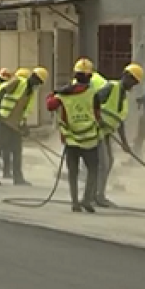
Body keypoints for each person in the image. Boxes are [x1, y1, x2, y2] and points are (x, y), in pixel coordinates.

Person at [46, 58, 103, 213]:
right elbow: (98, 115)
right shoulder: (93, 94)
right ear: (90, 77)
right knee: (93, 170)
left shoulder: (64, 94)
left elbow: (50, 106)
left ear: (75, 75)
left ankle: (75, 202)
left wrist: (54, 93)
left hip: (71, 140)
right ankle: (87, 199)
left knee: (73, 172)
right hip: (90, 140)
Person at [92, 62, 145, 207]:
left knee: (109, 161)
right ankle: (97, 196)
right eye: (133, 81)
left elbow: (120, 122)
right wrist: (98, 119)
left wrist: (125, 144)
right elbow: (94, 100)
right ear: (127, 76)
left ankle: (97, 193)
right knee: (103, 163)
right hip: (97, 131)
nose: (133, 85)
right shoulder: (111, 87)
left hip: (107, 133)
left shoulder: (123, 98)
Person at [0, 66, 48, 186]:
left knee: (17, 151)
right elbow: (1, 91)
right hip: (2, 120)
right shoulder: (19, 81)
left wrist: (23, 126)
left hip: (14, 125)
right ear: (33, 76)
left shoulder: (31, 92)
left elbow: (24, 110)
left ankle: (18, 178)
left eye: (39, 83)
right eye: (37, 80)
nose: (37, 84)